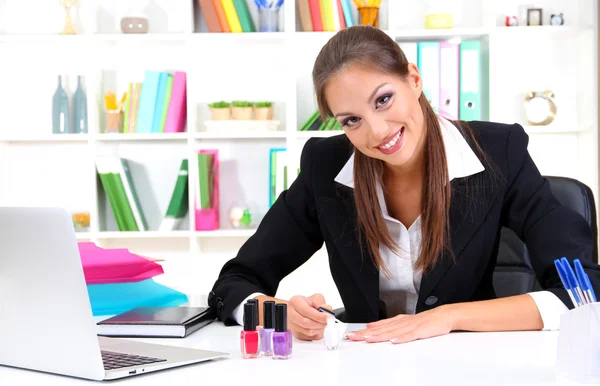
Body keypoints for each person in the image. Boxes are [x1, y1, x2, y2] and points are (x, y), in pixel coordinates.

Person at [208, 25, 599, 344]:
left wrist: (449, 317)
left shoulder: (498, 152)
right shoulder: (324, 167)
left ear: (413, 79)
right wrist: (277, 315)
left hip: (471, 364)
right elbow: (233, 284)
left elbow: (586, 295)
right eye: (351, 120)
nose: (376, 132)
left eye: (383, 100)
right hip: (366, 367)